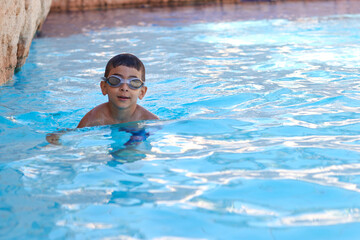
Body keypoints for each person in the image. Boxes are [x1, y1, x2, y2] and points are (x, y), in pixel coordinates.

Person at [77, 53, 159, 128]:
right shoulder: (92, 120)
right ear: (104, 87)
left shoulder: (150, 121)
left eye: (134, 82)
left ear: (142, 92)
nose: (124, 88)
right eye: (115, 81)